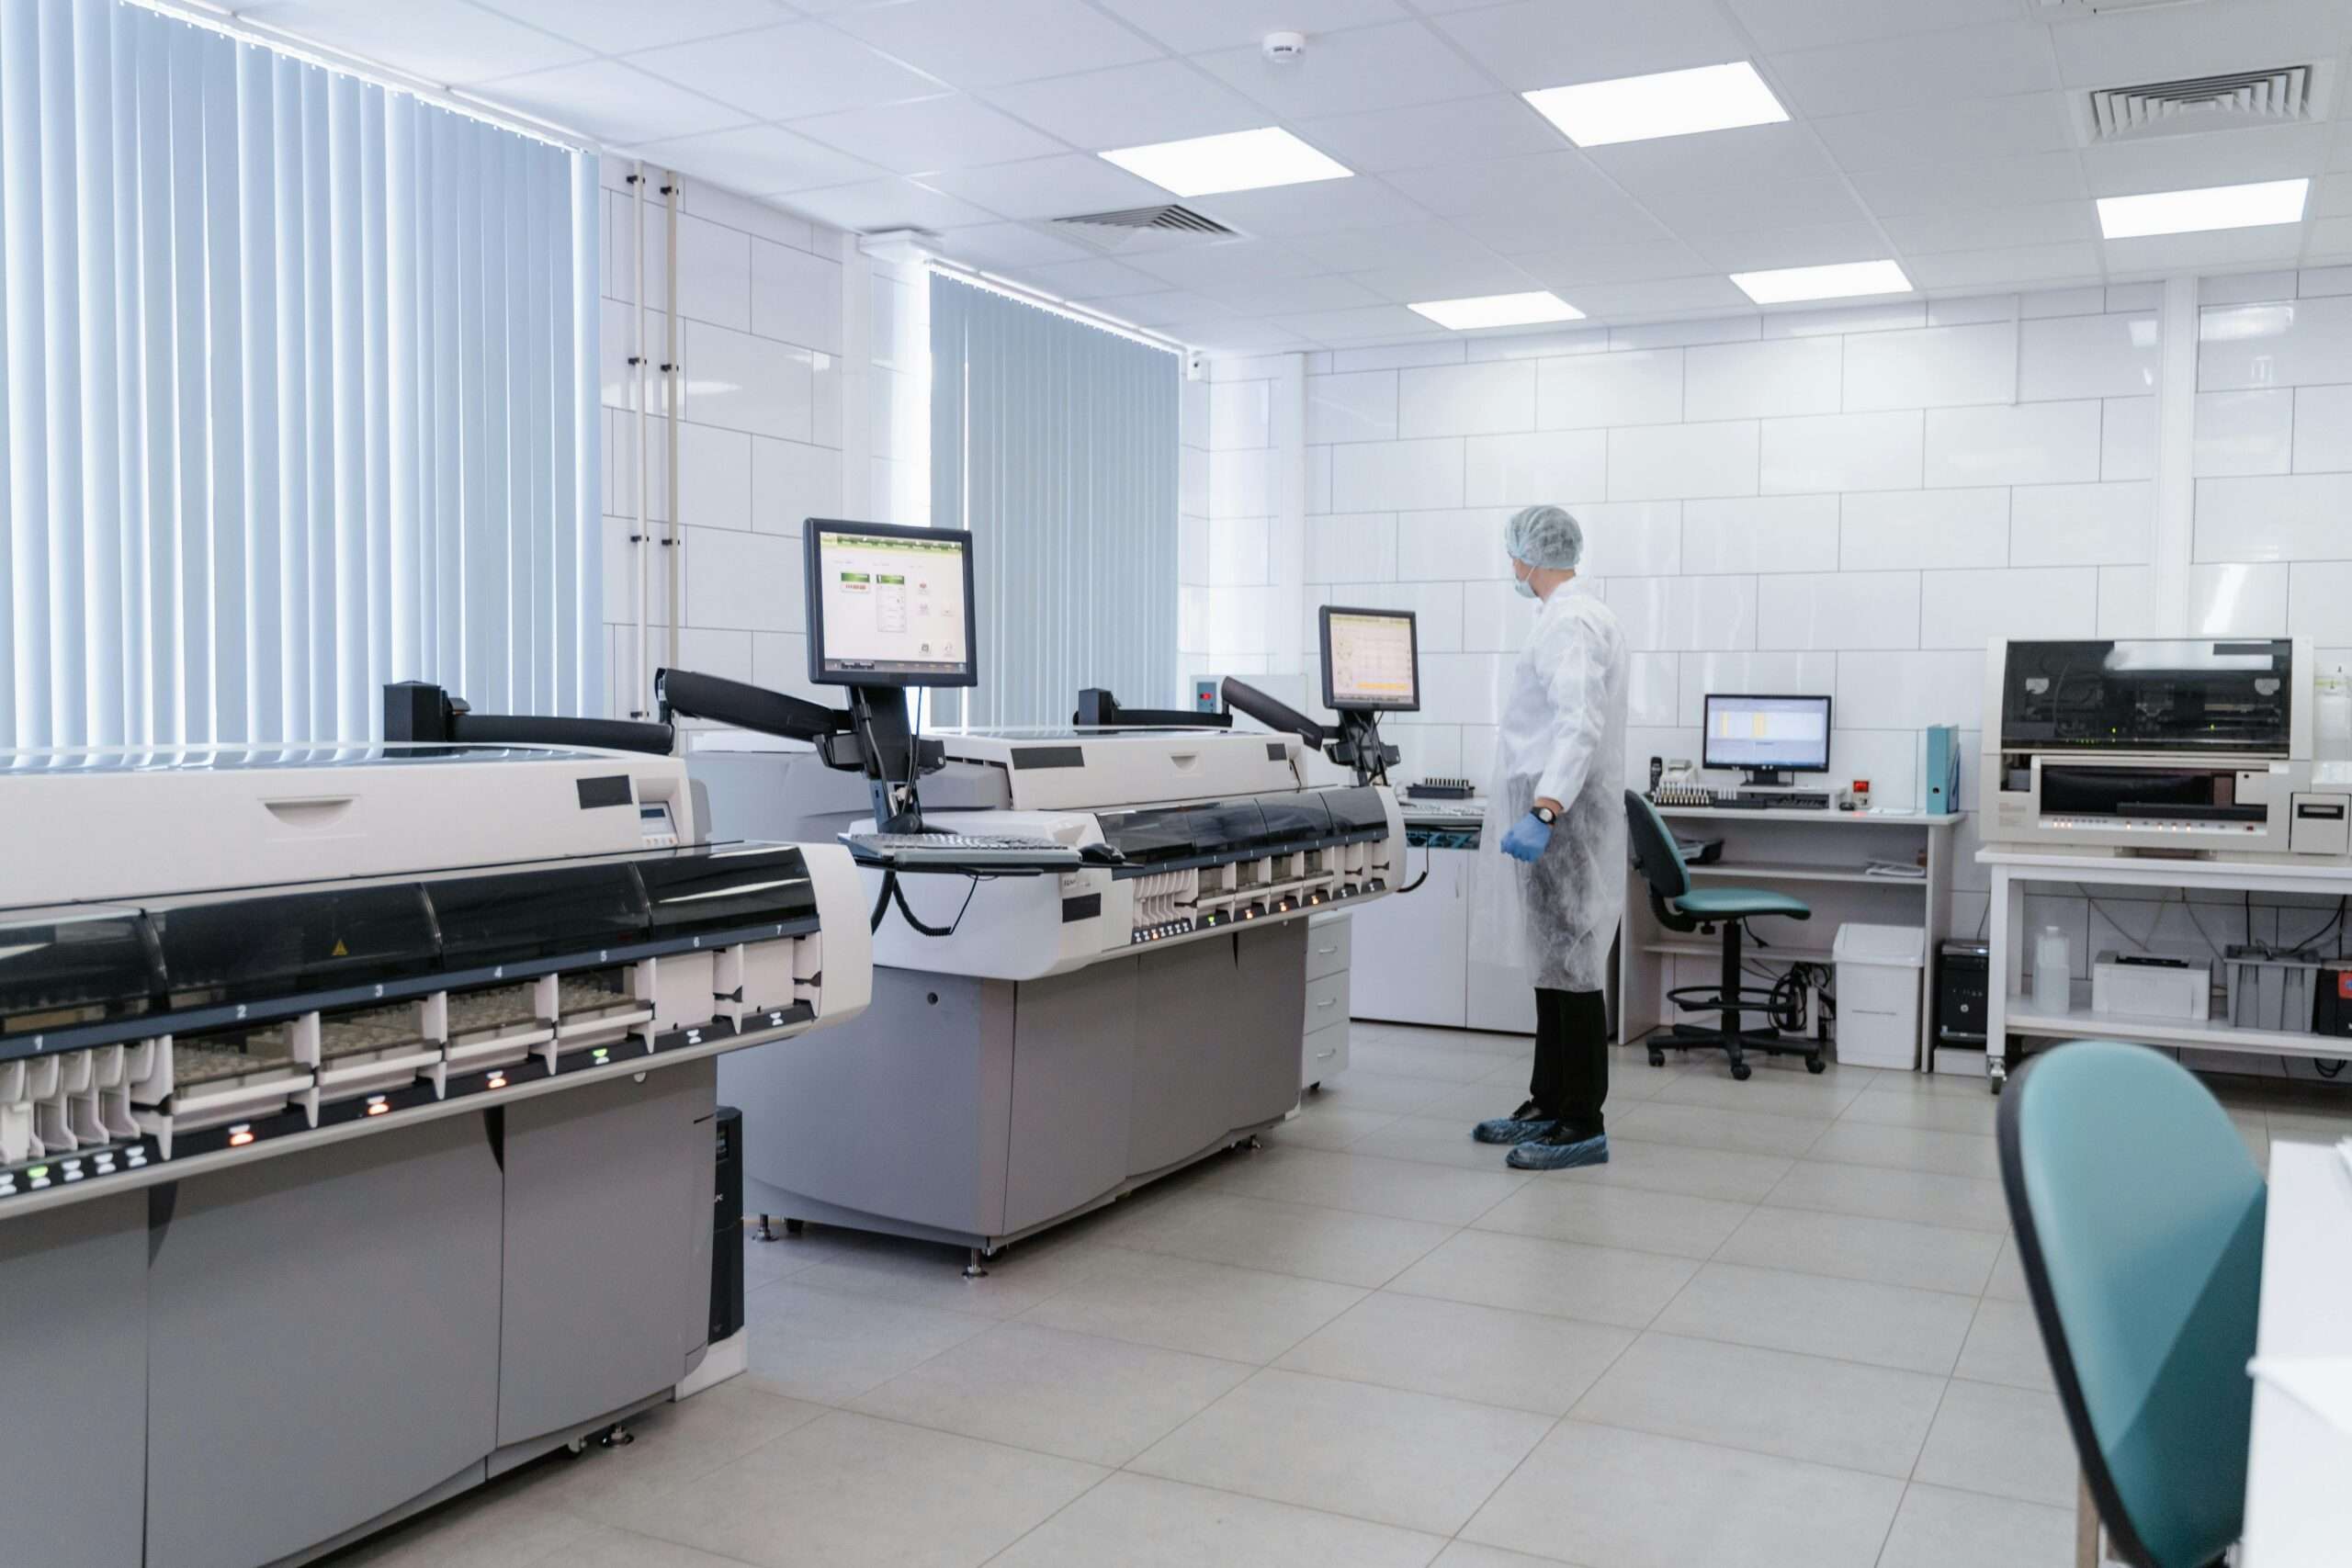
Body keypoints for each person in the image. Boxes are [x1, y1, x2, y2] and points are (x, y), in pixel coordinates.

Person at [1467, 505, 1629, 1171]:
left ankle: (1582, 1119)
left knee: (1575, 968)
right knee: (1553, 963)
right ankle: (1548, 1100)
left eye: (1514, 551)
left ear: (1533, 554)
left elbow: (1578, 723)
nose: (1511, 563)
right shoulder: (1565, 617)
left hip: (1562, 816)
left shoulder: (1570, 621)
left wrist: (1547, 808)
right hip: (1553, 811)